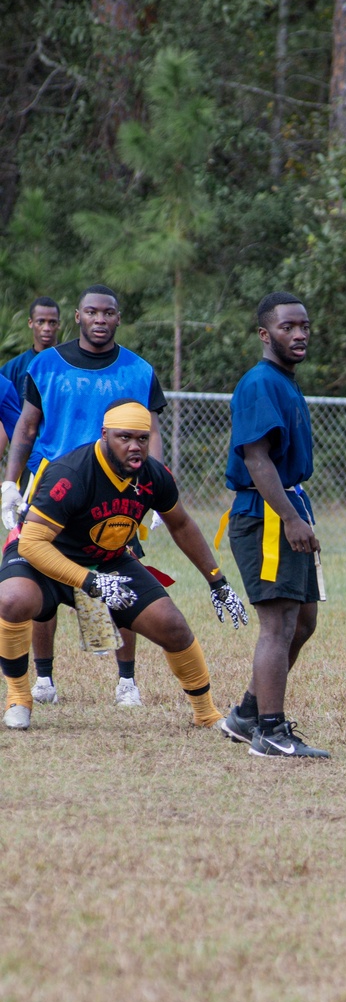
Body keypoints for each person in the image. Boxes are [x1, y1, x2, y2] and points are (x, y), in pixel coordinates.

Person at [0, 400, 247, 732]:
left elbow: (182, 525)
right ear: (104, 435)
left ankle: (206, 713)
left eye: (142, 438)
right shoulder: (71, 474)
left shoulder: (153, 475)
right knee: (12, 599)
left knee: (172, 625)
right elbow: (31, 543)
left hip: (107, 559)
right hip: (44, 558)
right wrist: (89, 581)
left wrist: (218, 581)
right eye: (124, 437)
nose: (135, 446)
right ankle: (18, 697)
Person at [1, 286, 167, 709]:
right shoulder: (46, 364)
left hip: (115, 494)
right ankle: (44, 679)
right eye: (91, 312)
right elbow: (26, 427)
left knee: (122, 582)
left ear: (118, 318)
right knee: (40, 584)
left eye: (108, 313)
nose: (99, 319)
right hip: (54, 490)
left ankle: (126, 681)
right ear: (77, 316)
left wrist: (156, 482)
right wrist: (10, 482)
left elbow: (153, 433)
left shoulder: (139, 370)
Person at [219, 291, 328, 759]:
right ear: (266, 335)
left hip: (288, 507)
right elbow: (256, 457)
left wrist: (296, 513)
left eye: (304, 325)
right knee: (278, 624)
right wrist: (288, 517)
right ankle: (270, 732)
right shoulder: (260, 382)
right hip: (266, 516)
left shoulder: (285, 380)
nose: (299, 334)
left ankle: (246, 714)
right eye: (288, 327)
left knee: (303, 621)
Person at [1, 296, 61, 404]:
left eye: (52, 322)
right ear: (30, 322)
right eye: (40, 322)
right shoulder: (14, 368)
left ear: (59, 324)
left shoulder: (70, 361)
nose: (46, 328)